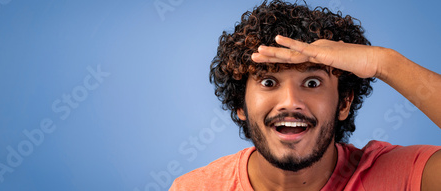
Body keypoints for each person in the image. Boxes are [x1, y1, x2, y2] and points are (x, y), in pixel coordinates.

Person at [169, 0, 441, 190]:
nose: (290, 102)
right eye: (268, 81)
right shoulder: (194, 188)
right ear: (241, 104)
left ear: (344, 102)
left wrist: (385, 63)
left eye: (312, 83)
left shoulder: (402, 176)